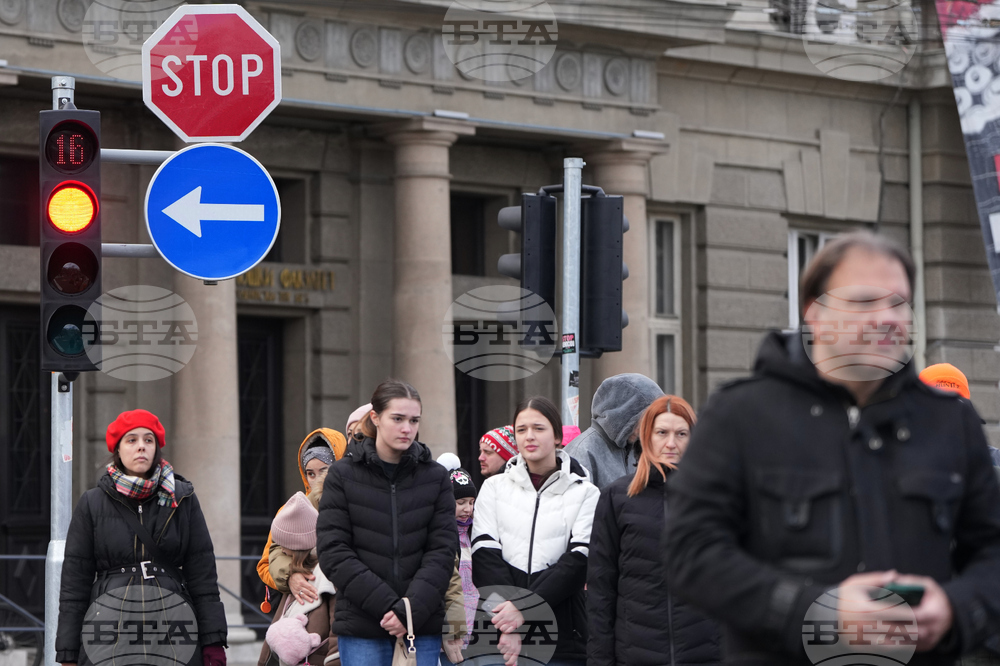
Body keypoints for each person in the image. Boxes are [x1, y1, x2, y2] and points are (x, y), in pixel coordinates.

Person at [664, 231, 1000, 664]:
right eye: (864, 301)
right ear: (815, 313)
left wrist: (956, 609)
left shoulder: (950, 422)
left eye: (898, 302)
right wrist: (815, 611)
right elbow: (691, 553)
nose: (887, 317)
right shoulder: (739, 415)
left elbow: (993, 552)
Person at [56, 409, 227, 666]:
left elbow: (203, 576)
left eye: (148, 440)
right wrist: (67, 652)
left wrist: (213, 641)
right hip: (109, 629)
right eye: (132, 440)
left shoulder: (182, 498)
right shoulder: (92, 503)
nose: (141, 447)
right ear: (118, 449)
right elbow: (74, 584)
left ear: (157, 448)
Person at [316, 380, 458, 666]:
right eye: (398, 419)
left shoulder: (435, 477)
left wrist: (410, 611)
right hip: (362, 627)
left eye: (414, 420)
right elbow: (334, 552)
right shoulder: (343, 475)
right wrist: (389, 607)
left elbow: (441, 552)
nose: (407, 428)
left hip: (421, 624)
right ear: (376, 418)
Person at [587, 395, 722, 666]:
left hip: (706, 654)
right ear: (647, 436)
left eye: (681, 433)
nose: (671, 443)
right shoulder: (617, 497)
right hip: (636, 653)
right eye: (662, 432)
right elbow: (601, 591)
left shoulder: (716, 499)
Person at [472, 396, 599, 666]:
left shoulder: (586, 492)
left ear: (556, 436)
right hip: (497, 634)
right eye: (521, 430)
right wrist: (510, 624)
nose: (529, 436)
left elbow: (578, 562)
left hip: (563, 635)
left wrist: (523, 610)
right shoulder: (493, 488)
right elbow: (484, 559)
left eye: (539, 428)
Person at [257, 429, 347, 609]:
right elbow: (266, 563)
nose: (316, 479)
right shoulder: (292, 509)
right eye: (310, 473)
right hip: (306, 606)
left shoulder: (353, 501)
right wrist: (291, 576)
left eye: (324, 471)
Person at [260, 492, 339, 666]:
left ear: (297, 546)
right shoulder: (297, 573)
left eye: (284, 545)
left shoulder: (327, 574)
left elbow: (337, 631)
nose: (281, 550)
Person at [564, 373, 664, 489]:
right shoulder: (581, 452)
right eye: (646, 419)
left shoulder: (637, 448)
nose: (648, 427)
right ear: (624, 416)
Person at [436, 453, 480, 666]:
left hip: (476, 628)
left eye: (471, 502)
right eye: (460, 502)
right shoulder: (441, 536)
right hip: (451, 627)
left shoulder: (476, 534)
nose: (467, 509)